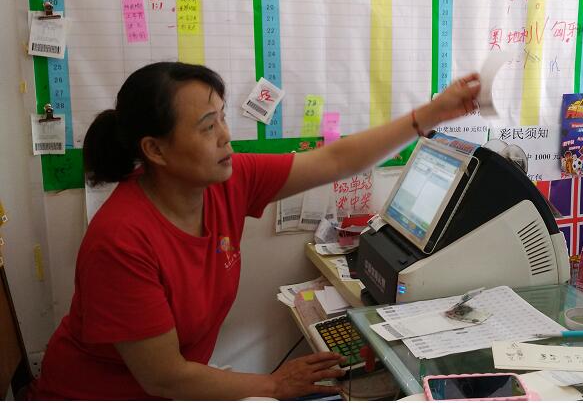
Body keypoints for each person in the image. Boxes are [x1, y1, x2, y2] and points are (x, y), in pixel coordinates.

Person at [31, 62, 481, 400]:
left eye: (223, 117)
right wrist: (273, 384)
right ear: (156, 150)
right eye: (208, 127)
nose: (226, 136)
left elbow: (336, 160)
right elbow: (164, 377)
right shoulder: (121, 240)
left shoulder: (226, 181)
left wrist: (431, 114)